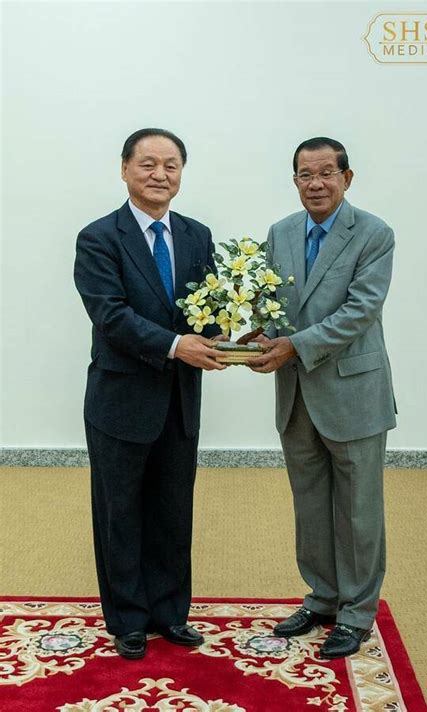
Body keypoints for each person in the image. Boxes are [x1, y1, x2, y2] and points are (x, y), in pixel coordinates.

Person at [74, 128, 225, 659]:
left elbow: (208, 310)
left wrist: (232, 336)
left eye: (171, 165)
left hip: (181, 400)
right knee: (121, 513)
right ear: (124, 170)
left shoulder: (197, 235)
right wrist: (174, 345)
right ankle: (129, 618)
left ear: (182, 173)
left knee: (171, 510)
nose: (161, 174)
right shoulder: (98, 238)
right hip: (121, 401)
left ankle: (169, 613)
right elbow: (110, 315)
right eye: (148, 164)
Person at [249, 137, 396, 659]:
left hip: (353, 393)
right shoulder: (280, 232)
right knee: (310, 504)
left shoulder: (374, 234)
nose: (316, 183)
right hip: (295, 396)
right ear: (294, 181)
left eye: (326, 173)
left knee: (358, 511)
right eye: (305, 175)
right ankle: (323, 597)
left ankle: (357, 614)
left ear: (347, 178)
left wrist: (294, 346)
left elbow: (361, 311)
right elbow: (272, 303)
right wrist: (253, 335)